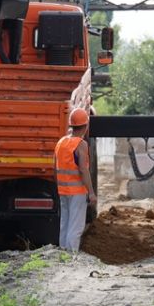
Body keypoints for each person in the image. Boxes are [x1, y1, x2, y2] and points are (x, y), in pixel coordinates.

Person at [55, 107, 97, 252]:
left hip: (63, 190)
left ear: (71, 125)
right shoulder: (81, 144)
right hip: (77, 191)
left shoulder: (60, 143)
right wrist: (91, 193)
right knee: (76, 226)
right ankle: (72, 256)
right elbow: (83, 169)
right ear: (85, 126)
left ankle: (63, 253)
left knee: (65, 224)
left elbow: (55, 167)